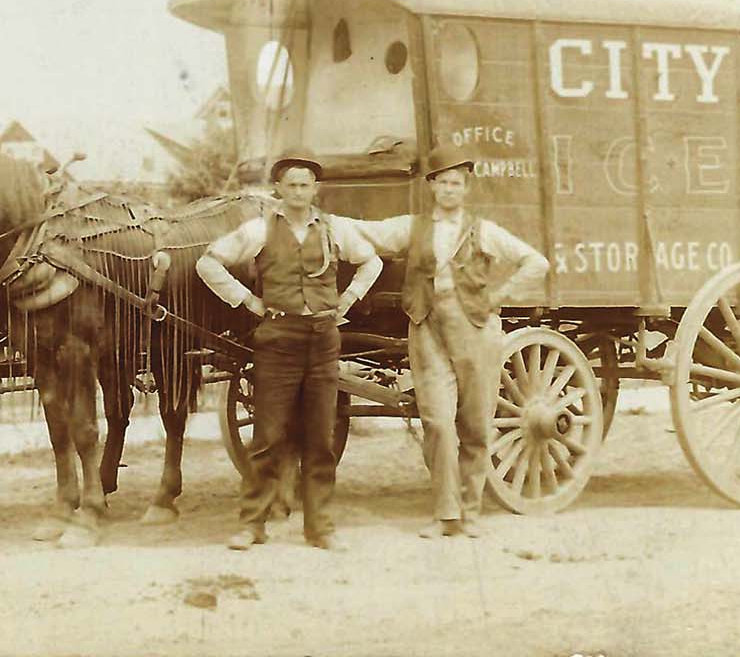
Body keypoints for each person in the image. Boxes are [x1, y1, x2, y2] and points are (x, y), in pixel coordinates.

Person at [357, 145, 549, 538]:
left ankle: (471, 511)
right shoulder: (413, 227)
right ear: (432, 187)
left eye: (456, 183)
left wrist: (498, 297)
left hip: (476, 330)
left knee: (476, 424)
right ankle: (446, 514)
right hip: (427, 328)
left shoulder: (484, 231)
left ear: (465, 188)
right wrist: (316, 218)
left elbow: (536, 263)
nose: (449, 189)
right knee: (439, 424)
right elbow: (367, 233)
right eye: (442, 182)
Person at [196, 147, 382, 551]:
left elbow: (372, 262)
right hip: (278, 340)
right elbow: (208, 263)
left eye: (305, 184)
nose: (298, 192)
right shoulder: (259, 229)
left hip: (323, 339)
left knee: (320, 437)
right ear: (278, 188)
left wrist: (347, 300)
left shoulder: (334, 230)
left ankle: (320, 527)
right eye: (291, 184)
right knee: (267, 437)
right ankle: (252, 524)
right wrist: (247, 301)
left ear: (315, 188)